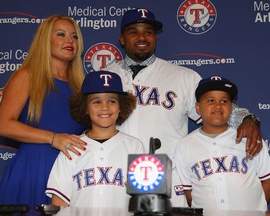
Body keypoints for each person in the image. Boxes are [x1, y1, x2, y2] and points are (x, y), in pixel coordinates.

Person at [105, 8, 262, 206]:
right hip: (113, 175)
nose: (142, 37)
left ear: (155, 37)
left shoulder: (183, 77)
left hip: (165, 175)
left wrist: (248, 119)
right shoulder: (105, 78)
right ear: (122, 38)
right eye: (134, 31)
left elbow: (215, 107)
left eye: (148, 31)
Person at [0, 15, 87, 207]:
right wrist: (53, 138)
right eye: (61, 34)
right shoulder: (27, 75)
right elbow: (3, 125)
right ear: (46, 40)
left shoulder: (82, 87)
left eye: (74, 36)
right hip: (32, 170)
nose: (70, 40)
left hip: (70, 171)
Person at [46, 71, 145, 208]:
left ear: (121, 106)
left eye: (112, 101)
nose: (105, 107)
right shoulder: (72, 148)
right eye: (96, 101)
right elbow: (59, 203)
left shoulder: (134, 147)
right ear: (85, 107)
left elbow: (143, 201)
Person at [174, 76, 270, 211]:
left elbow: (267, 180)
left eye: (224, 101)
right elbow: (188, 192)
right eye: (210, 100)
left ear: (231, 107)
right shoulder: (185, 145)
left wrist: (255, 209)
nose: (218, 105)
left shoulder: (249, 138)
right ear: (197, 107)